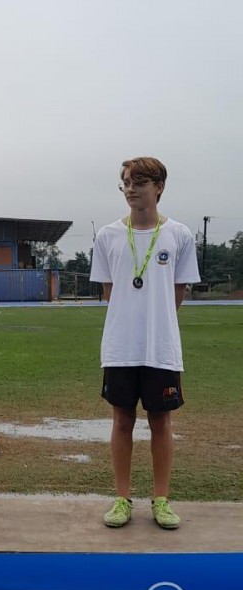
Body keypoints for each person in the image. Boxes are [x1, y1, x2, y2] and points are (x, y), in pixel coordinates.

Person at [90, 157, 200, 529]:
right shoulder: (107, 235)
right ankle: (121, 499)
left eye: (138, 181)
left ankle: (162, 500)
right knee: (122, 420)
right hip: (120, 346)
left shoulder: (180, 234)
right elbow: (109, 291)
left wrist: (158, 324)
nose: (130, 188)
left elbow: (179, 289)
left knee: (161, 421)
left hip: (162, 348)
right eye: (125, 182)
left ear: (159, 187)